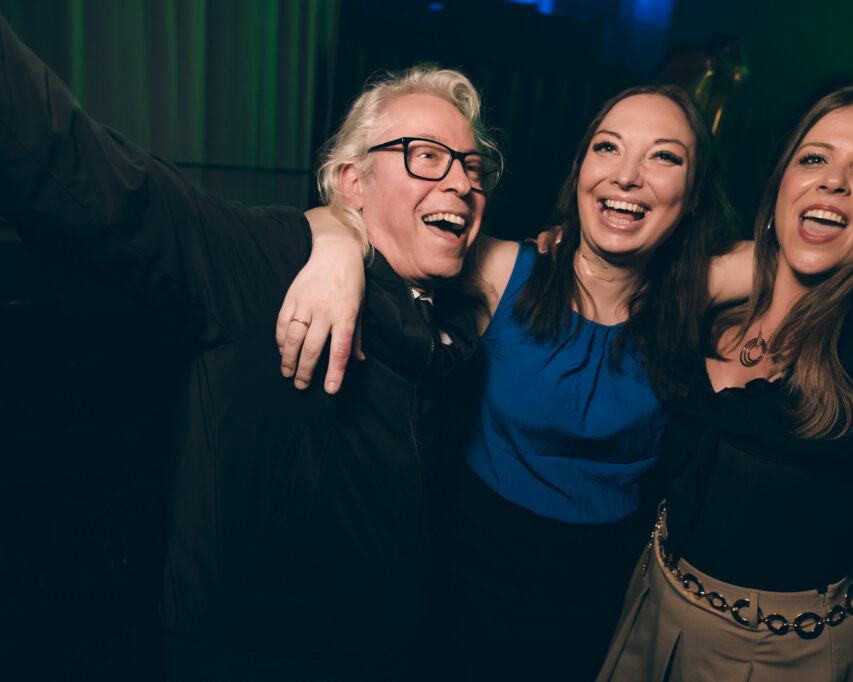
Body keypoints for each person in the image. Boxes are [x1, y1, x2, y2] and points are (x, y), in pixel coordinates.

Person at [282, 85, 853, 680]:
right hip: (471, 589)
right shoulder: (502, 271)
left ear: (691, 198)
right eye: (607, 148)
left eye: (664, 157)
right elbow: (374, 216)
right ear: (580, 169)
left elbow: (832, 244)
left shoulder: (696, 290)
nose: (627, 176)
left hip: (617, 601)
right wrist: (333, 244)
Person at [0, 14, 500, 680]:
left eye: (472, 165)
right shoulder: (270, 262)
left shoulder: (455, 325)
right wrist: (327, 234)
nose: (462, 182)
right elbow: (95, 180)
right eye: (427, 156)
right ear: (353, 182)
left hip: (392, 655)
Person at [596, 87, 853, 681]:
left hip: (779, 656)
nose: (833, 181)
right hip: (649, 598)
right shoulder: (715, 300)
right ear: (781, 183)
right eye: (814, 158)